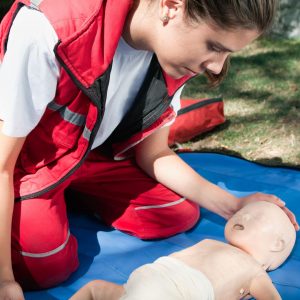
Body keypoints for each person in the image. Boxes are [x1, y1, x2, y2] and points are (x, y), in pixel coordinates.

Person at [0, 0, 298, 299]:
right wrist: (3, 280)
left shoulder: (173, 56)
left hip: (90, 155)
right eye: (214, 46)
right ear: (172, 6)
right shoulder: (49, 28)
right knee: (44, 265)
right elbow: (2, 164)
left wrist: (232, 205)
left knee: (175, 214)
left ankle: (68, 198)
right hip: (27, 164)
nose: (217, 67)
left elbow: (153, 153)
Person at [70, 201, 297, 300]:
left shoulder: (254, 270)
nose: (243, 215)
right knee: (96, 289)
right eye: (243, 211)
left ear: (276, 244)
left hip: (164, 287)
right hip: (155, 281)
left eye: (256, 217)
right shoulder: (215, 245)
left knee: (95, 289)